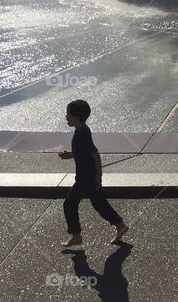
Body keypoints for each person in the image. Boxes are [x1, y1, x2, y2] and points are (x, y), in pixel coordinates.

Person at [58, 99, 129, 248]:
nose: (66, 117)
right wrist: (70, 155)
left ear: (76, 118)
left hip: (86, 177)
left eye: (68, 115)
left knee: (69, 203)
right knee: (98, 203)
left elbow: (95, 154)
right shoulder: (81, 130)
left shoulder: (82, 134)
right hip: (88, 176)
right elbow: (83, 152)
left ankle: (76, 235)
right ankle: (120, 225)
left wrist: (99, 176)